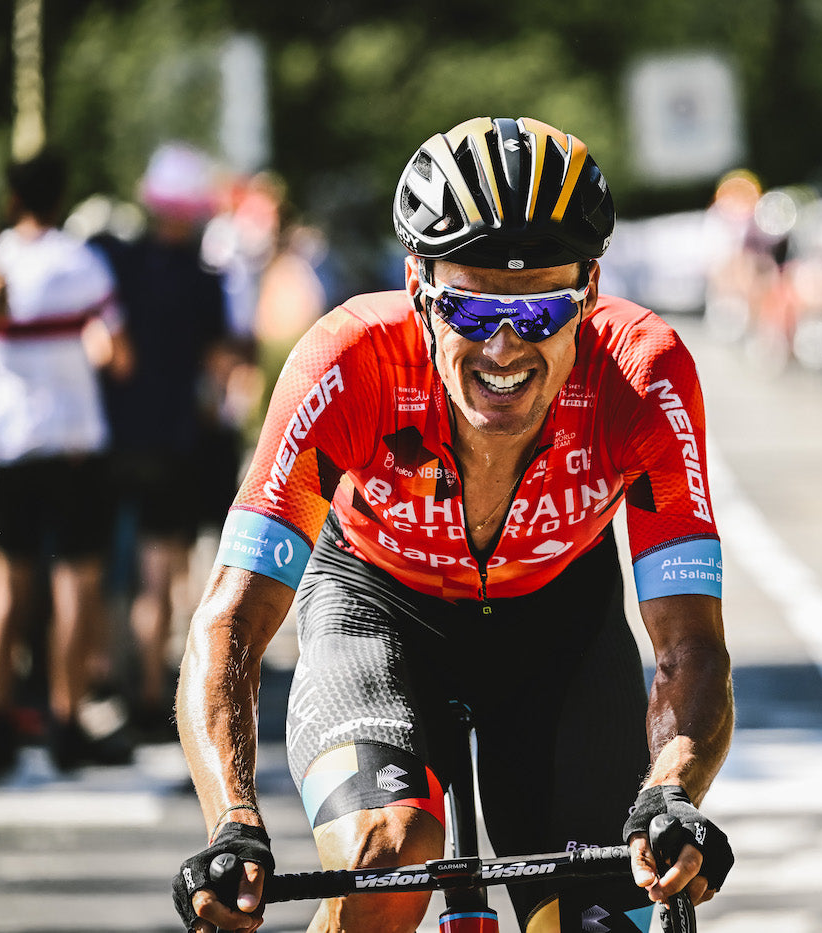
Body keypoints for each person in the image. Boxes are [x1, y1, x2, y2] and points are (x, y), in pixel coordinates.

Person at [172, 116, 735, 933]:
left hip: (558, 627)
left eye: (542, 313)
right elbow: (231, 621)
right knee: (388, 857)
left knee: (603, 921)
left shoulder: (644, 376)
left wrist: (672, 791)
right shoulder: (348, 361)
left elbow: (691, 643)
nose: (504, 348)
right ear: (416, 285)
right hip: (376, 608)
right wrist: (232, 818)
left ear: (591, 289)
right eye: (469, 310)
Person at [0, 150, 131, 777]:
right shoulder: (83, 263)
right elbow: (119, 357)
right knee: (76, 586)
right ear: (61, 197)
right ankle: (65, 721)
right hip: (76, 446)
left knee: (6, 589)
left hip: (13, 446)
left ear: (12, 200)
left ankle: (1, 722)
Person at [90, 143, 236, 739]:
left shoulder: (116, 264)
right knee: (162, 572)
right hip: (175, 442)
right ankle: (153, 692)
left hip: (113, 435)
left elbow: (104, 341)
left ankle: (99, 675)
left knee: (99, 568)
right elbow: (221, 365)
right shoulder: (205, 282)